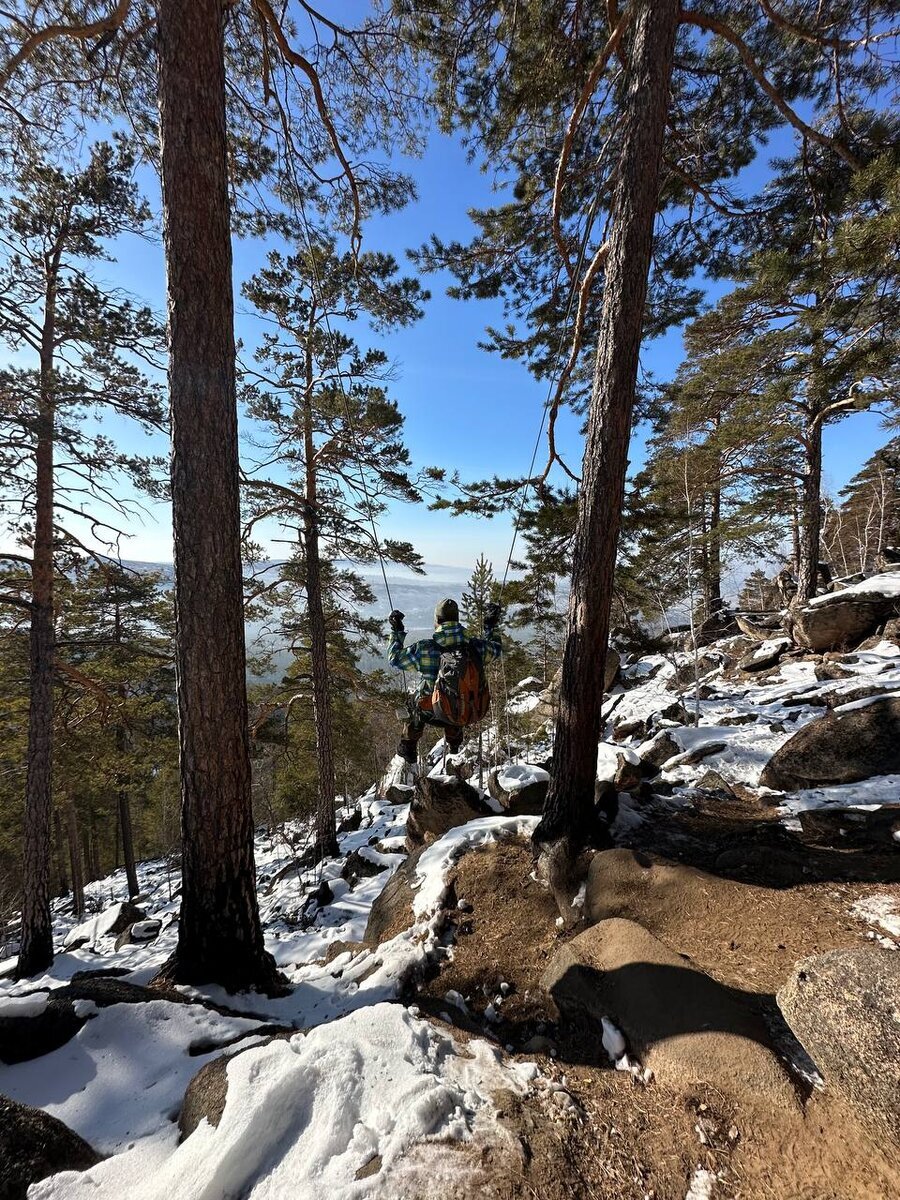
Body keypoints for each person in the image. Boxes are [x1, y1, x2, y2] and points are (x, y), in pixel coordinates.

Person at [387, 597, 502, 764]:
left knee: (415, 704)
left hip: (431, 713)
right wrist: (490, 626)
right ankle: (454, 745)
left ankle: (408, 747)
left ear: (438, 621)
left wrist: (397, 631)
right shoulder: (476, 647)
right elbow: (496, 649)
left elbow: (394, 659)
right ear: (456, 620)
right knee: (457, 695)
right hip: (464, 711)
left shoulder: (425, 648)